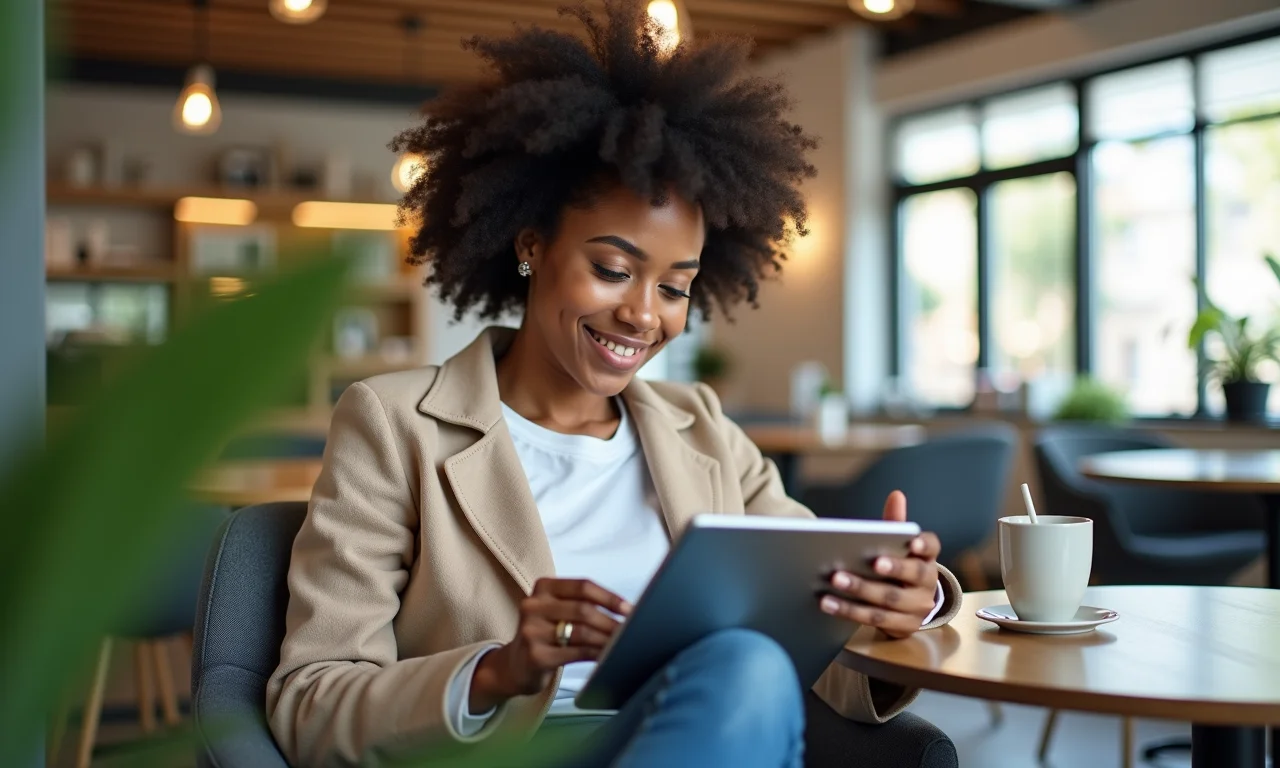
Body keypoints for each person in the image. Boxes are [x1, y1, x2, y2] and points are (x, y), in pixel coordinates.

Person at [266, 2, 961, 766]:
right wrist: (494, 673)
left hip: (693, 734)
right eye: (612, 269)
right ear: (530, 246)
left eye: (675, 287)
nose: (642, 314)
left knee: (749, 664)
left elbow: (816, 644)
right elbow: (310, 703)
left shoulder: (701, 428)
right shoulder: (392, 424)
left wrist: (905, 604)